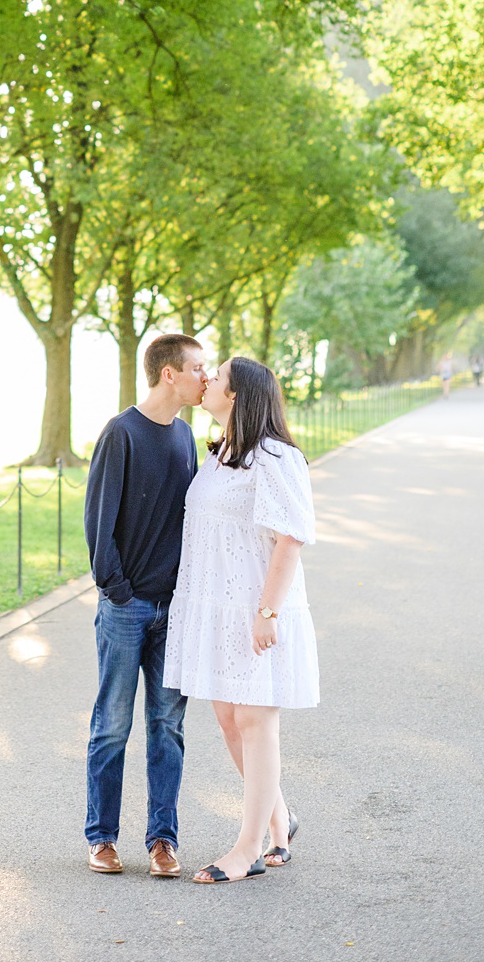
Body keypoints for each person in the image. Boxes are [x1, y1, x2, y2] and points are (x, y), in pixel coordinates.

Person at [163, 356, 320, 884]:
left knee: (256, 723)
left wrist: (267, 612)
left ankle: (247, 848)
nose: (205, 381)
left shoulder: (275, 457)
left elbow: (290, 539)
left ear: (236, 395)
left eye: (216, 377)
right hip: (215, 606)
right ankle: (281, 821)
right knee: (230, 721)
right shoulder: (221, 452)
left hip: (257, 609)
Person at [82, 331, 209, 878]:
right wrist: (119, 591)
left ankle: (162, 840)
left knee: (168, 726)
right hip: (127, 608)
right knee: (112, 725)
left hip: (174, 610)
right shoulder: (121, 433)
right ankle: (102, 838)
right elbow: (98, 520)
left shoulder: (186, 437)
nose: (207, 376)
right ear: (169, 374)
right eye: (199, 367)